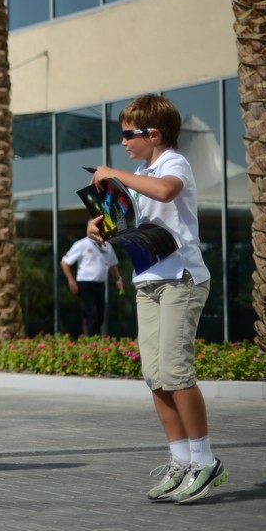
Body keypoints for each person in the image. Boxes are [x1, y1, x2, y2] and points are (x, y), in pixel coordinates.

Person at [88, 93, 225, 504]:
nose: (125, 142)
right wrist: (100, 228)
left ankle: (204, 462)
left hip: (181, 280)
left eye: (130, 134)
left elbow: (166, 192)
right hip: (147, 281)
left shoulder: (171, 164)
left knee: (176, 371)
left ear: (155, 133)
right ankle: (180, 461)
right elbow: (133, 225)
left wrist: (116, 175)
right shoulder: (138, 173)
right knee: (155, 374)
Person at [60, 236, 124, 337]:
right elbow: (65, 262)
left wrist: (118, 279)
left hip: (101, 284)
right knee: (92, 313)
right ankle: (91, 341)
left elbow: (113, 265)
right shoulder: (81, 244)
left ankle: (95, 339)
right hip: (85, 283)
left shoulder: (107, 246)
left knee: (100, 315)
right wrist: (71, 280)